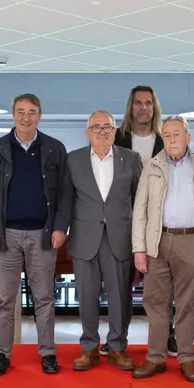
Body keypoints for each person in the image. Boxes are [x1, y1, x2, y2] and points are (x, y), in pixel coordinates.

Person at [0, 93, 73, 376]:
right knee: (4, 300)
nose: (26, 117)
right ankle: (2, 354)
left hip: (43, 235)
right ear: (13, 114)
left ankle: (48, 353)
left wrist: (60, 227)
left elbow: (66, 193)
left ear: (39, 116)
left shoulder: (54, 148)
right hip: (6, 236)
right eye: (20, 111)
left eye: (31, 112)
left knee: (44, 299)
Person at [131, 116, 194, 383]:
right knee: (155, 303)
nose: (172, 139)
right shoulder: (151, 167)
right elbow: (139, 211)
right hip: (157, 241)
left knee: (186, 304)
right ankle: (155, 358)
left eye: (177, 134)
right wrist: (139, 249)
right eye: (167, 135)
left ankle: (186, 357)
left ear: (187, 138)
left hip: (192, 241)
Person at [67, 110, 142, 371]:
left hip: (120, 238)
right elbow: (66, 199)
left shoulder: (131, 159)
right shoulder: (73, 159)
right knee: (87, 296)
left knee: (120, 295)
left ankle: (117, 347)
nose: (102, 132)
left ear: (115, 131)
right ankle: (89, 347)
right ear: (87, 132)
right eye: (96, 127)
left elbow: (140, 201)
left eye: (107, 127)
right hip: (84, 238)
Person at [112, 85, 177, 358]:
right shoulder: (116, 138)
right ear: (131, 107)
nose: (143, 108)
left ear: (154, 107)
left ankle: (167, 336)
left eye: (148, 103)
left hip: (161, 223)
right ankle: (117, 339)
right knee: (121, 284)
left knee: (163, 285)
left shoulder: (166, 140)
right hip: (124, 222)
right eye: (138, 102)